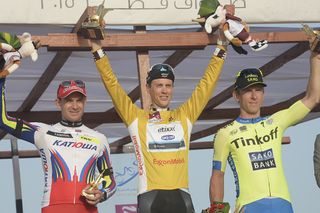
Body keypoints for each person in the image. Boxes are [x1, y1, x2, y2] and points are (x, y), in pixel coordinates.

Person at [90, 30, 228, 212]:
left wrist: (222, 47)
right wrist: (98, 51)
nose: (164, 91)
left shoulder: (184, 115)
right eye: (159, 85)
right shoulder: (136, 118)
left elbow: (206, 85)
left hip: (182, 197)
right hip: (150, 197)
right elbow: (113, 86)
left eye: (168, 85)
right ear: (148, 88)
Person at [209, 38, 320, 212]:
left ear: (263, 93)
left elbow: (312, 98)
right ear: (236, 95)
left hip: (283, 204)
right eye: (248, 91)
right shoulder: (225, 133)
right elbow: (218, 175)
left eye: (258, 90)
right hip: (250, 206)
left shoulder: (276, 122)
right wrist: (216, 208)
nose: (254, 96)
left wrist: (315, 58)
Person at [0, 78, 116, 213]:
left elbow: (110, 181)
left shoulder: (99, 138)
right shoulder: (43, 132)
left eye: (79, 100)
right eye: (68, 100)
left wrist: (102, 194)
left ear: (85, 103)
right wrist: (2, 77)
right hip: (53, 208)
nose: (74, 106)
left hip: (88, 210)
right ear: (58, 103)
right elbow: (3, 120)